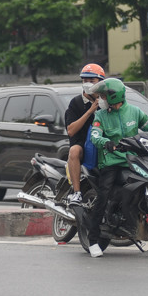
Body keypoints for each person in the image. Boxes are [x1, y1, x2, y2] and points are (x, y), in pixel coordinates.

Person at [84, 77, 148, 258]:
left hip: (133, 160)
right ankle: (93, 241)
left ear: (114, 97)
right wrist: (107, 143)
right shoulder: (100, 115)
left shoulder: (135, 112)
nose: (102, 100)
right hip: (111, 163)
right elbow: (95, 136)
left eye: (104, 96)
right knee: (104, 196)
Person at [64, 63, 105, 206]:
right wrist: (90, 111)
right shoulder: (76, 103)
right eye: (85, 80)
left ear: (101, 82)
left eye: (92, 80)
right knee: (74, 150)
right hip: (83, 145)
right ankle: (77, 192)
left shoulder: (106, 102)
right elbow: (71, 130)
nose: (87, 83)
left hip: (102, 144)